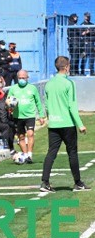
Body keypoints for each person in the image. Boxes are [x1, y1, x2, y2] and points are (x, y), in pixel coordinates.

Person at [41, 56, 89, 193]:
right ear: (67, 66)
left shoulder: (49, 84)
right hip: (67, 123)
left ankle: (44, 182)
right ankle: (78, 183)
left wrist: (50, 118)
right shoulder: (69, 83)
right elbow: (72, 106)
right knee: (72, 153)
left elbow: (47, 105)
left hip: (54, 124)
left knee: (51, 153)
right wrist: (80, 124)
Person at [7, 70, 45, 164]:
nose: (21, 80)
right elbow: (8, 100)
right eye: (19, 78)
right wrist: (9, 106)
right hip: (17, 116)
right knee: (21, 137)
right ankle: (25, 155)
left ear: (27, 78)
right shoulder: (13, 88)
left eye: (23, 78)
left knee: (30, 134)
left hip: (30, 115)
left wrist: (41, 116)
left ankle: (30, 155)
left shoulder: (32, 88)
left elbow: (38, 102)